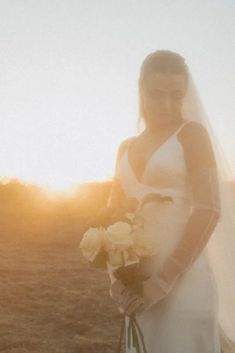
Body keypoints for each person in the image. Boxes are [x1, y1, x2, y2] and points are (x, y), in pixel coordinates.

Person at [107, 50, 235, 352]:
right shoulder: (125, 147)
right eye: (156, 94)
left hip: (184, 283)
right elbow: (112, 215)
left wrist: (162, 282)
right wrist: (116, 277)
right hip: (136, 283)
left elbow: (208, 210)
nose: (166, 105)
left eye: (176, 96)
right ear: (141, 90)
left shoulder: (191, 134)